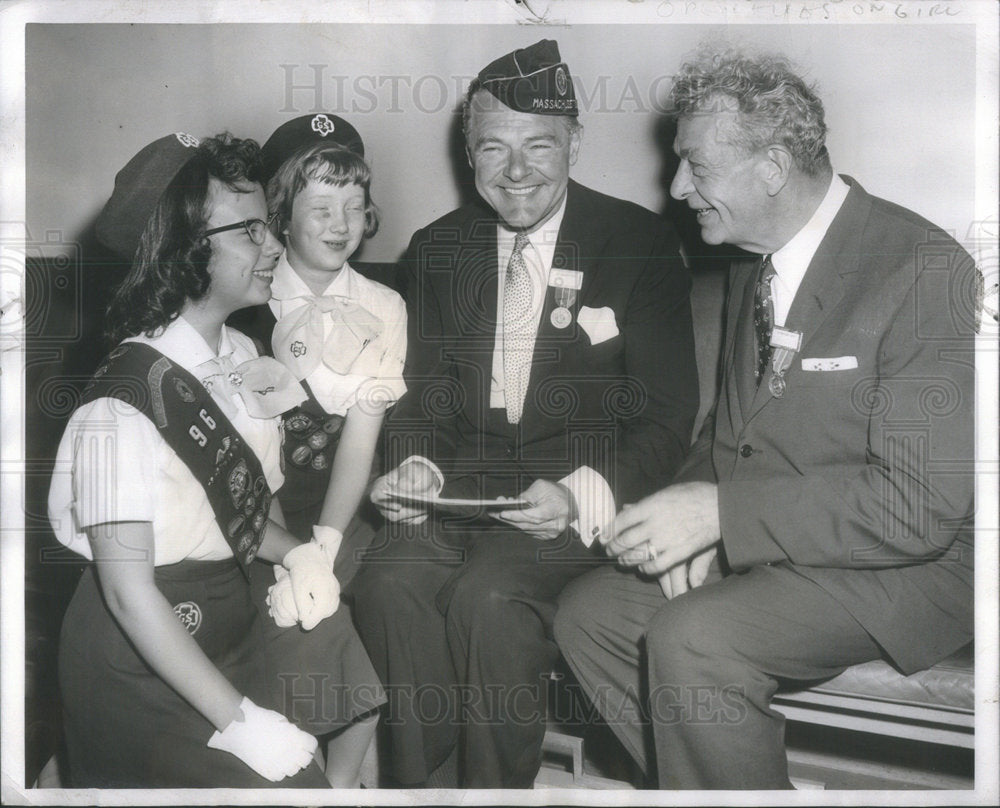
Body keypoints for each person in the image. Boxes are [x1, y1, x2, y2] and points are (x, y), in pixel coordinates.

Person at [553, 48, 977, 790]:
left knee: (696, 637)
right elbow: (730, 433)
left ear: (774, 167)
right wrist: (682, 518)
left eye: (698, 167)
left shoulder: (921, 272)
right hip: (786, 544)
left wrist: (722, 516)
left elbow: (917, 509)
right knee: (591, 613)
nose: (678, 186)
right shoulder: (756, 260)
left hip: (908, 566)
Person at [351, 40, 699, 788]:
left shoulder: (638, 244)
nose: (516, 171)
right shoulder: (437, 248)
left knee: (489, 599)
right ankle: (420, 789)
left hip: (567, 500)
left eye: (538, 145)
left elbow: (668, 417)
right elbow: (421, 395)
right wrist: (413, 461)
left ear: (575, 144)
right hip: (455, 492)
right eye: (492, 148)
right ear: (469, 154)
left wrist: (578, 496)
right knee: (388, 585)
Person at [48, 132, 344, 788]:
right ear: (184, 254)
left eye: (269, 224)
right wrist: (240, 722)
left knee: (340, 672)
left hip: (225, 624)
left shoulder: (241, 355)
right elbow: (128, 594)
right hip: (138, 655)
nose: (275, 243)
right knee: (293, 787)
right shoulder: (117, 406)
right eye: (249, 231)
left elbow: (239, 510)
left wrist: (296, 552)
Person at [228, 115, 404, 786]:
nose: (339, 224)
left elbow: (361, 439)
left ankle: (344, 782)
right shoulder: (248, 304)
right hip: (264, 511)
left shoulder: (384, 305)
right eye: (318, 207)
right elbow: (248, 457)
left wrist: (325, 545)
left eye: (353, 208)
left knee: (382, 599)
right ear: (279, 214)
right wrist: (287, 552)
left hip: (348, 505)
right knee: (288, 621)